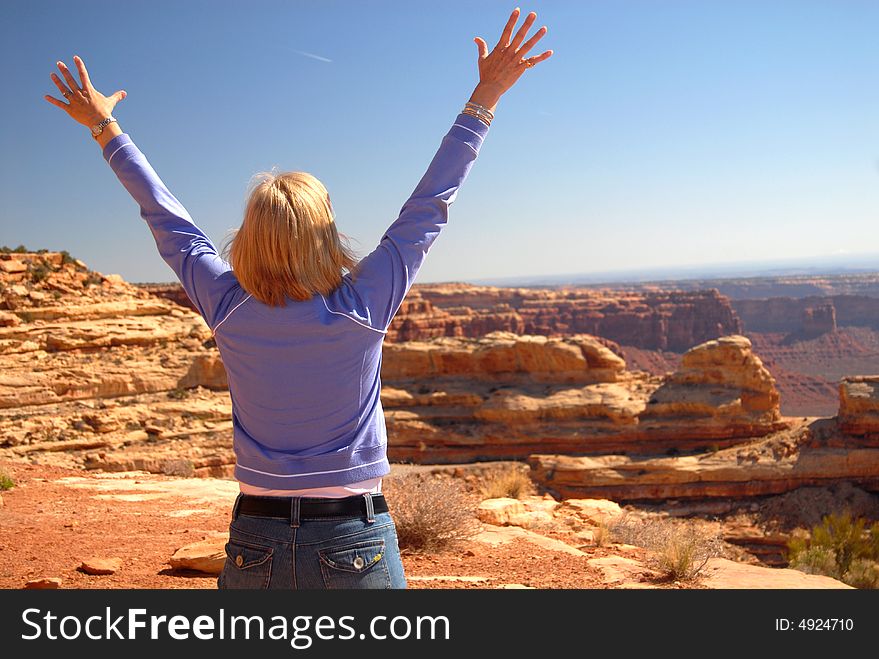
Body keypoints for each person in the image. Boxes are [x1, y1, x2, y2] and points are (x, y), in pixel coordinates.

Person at [44, 8, 552, 589]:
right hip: (352, 538)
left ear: (250, 232)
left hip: (254, 539)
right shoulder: (363, 303)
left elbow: (167, 218)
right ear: (327, 231)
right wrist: (485, 95)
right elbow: (429, 206)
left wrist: (105, 129)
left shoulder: (227, 303)